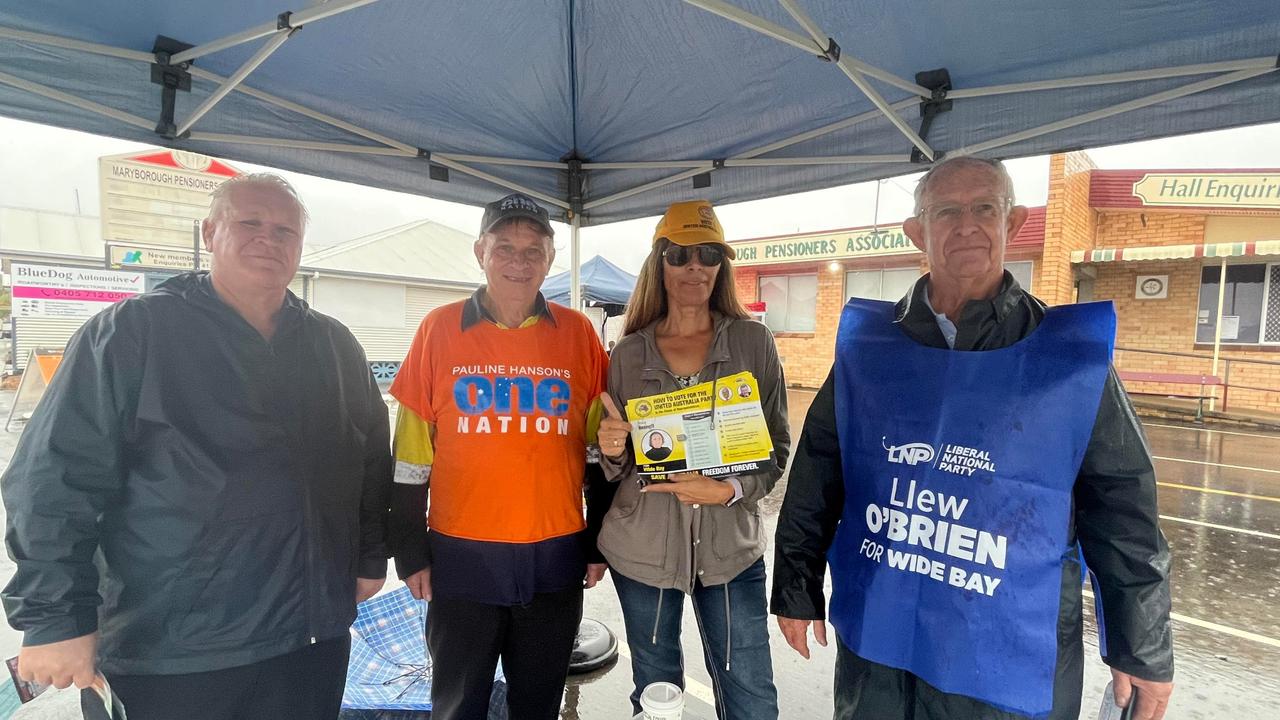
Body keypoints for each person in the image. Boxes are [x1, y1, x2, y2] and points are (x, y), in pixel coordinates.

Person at [771, 156, 1175, 720]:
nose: (967, 225)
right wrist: (797, 584)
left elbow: (1122, 505)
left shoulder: (1067, 360)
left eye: (985, 207)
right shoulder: (869, 351)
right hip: (884, 639)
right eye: (947, 211)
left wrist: (1140, 645)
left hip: (1003, 646)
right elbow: (820, 468)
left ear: (1015, 222)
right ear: (917, 231)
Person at [2, 173, 393, 720]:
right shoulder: (131, 333)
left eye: (285, 229)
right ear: (210, 233)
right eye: (249, 223)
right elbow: (53, 476)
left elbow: (372, 460)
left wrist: (369, 556)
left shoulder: (334, 345)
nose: (268, 239)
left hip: (308, 640)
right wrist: (55, 619)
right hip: (173, 649)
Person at [387, 192, 609, 720]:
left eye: (534, 250)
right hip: (461, 556)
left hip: (554, 554)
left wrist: (598, 540)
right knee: (459, 703)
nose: (519, 261)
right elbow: (409, 457)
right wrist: (410, 548)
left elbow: (601, 450)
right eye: (504, 247)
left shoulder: (578, 334)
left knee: (538, 700)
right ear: (479, 252)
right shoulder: (438, 329)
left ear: (551, 259)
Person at [596, 199, 790, 720]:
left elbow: (777, 448)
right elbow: (616, 465)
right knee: (657, 696)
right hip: (643, 553)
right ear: (659, 263)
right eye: (680, 254)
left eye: (707, 254)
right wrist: (611, 448)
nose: (694, 266)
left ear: (720, 265)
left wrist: (728, 490)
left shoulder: (754, 342)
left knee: (751, 696)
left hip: (732, 551)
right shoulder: (629, 353)